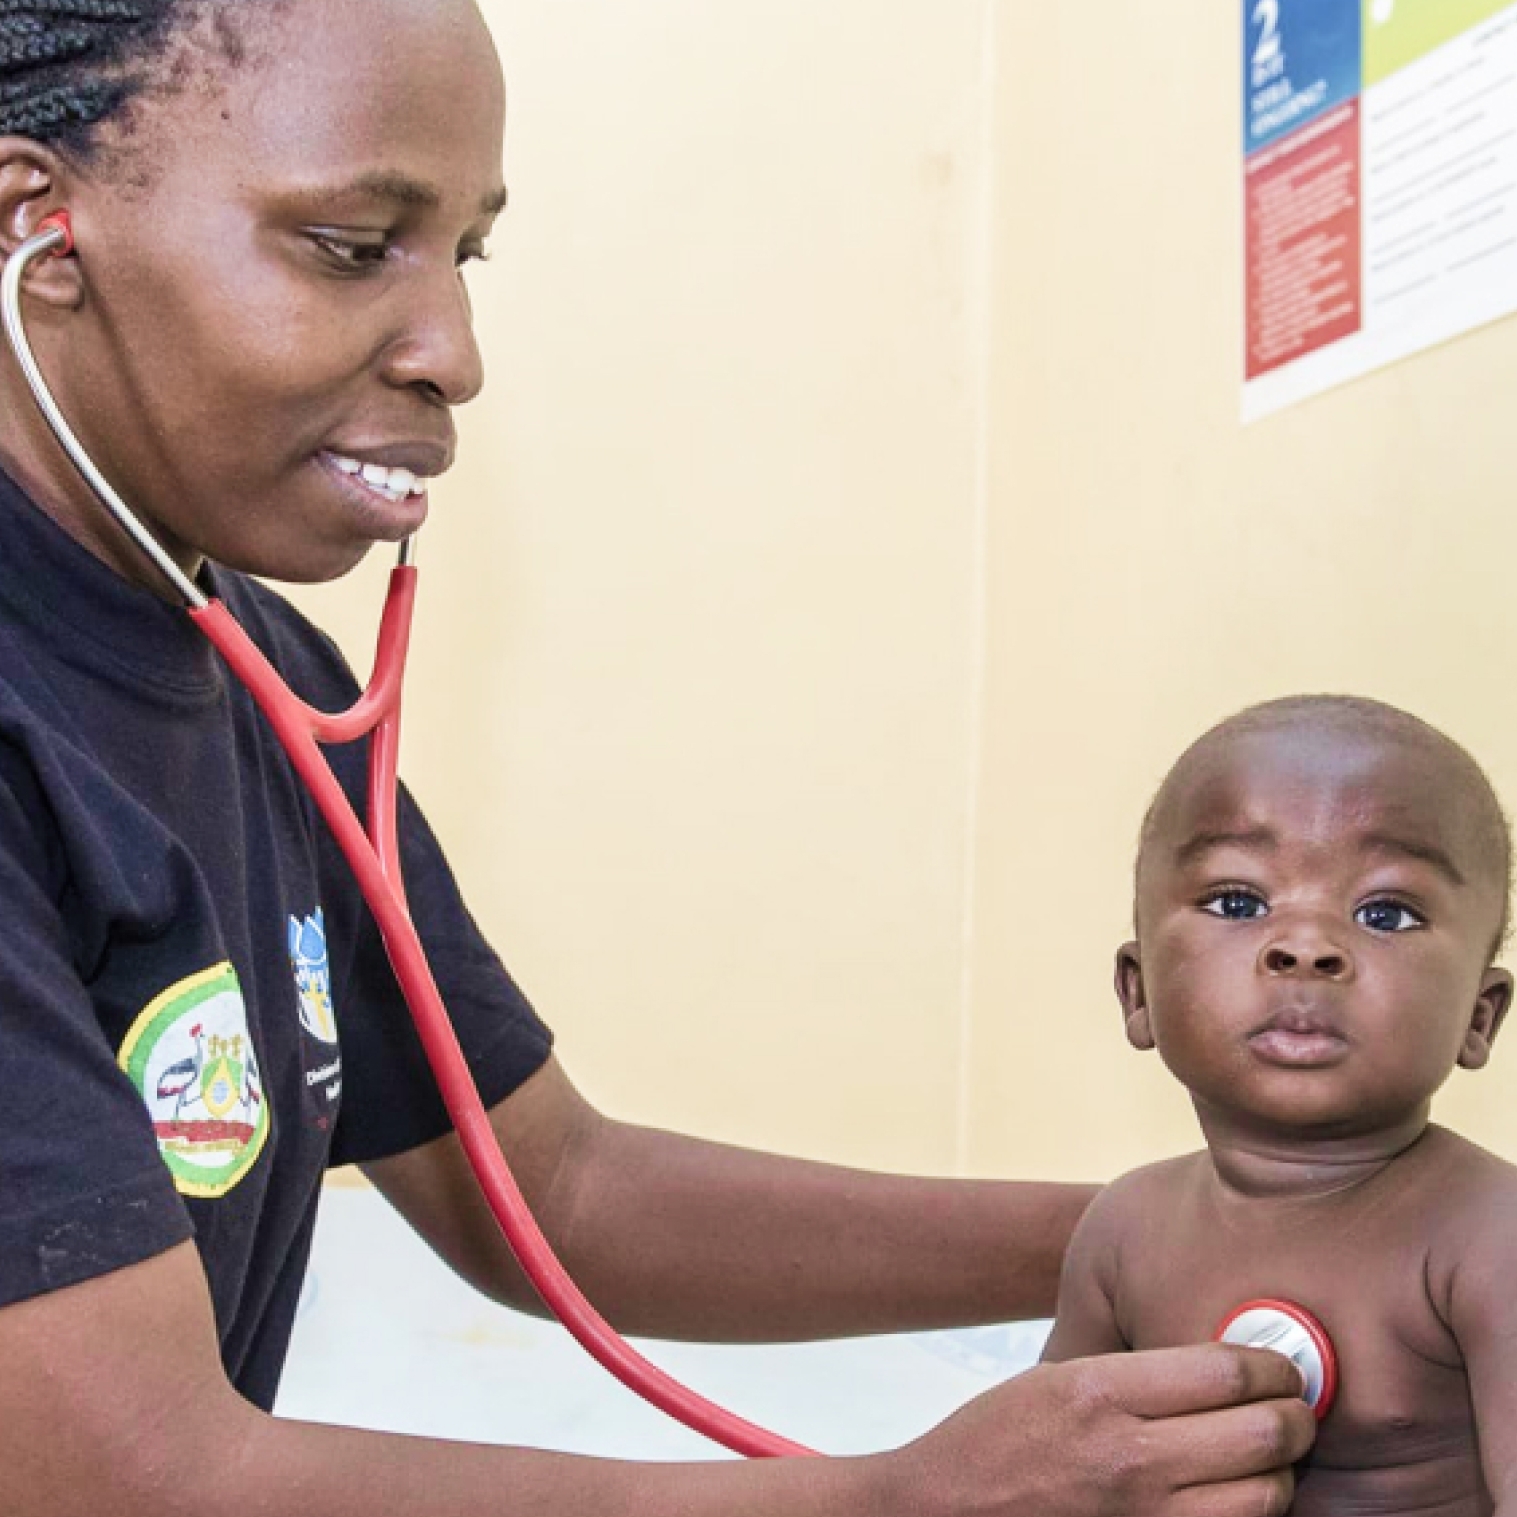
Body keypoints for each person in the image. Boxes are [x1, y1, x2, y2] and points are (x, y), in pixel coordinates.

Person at [0, 2, 1316, 1512]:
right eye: (356, 244)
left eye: (466, 254)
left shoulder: (259, 669)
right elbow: (128, 1469)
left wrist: (1167, 1226)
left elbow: (552, 1193)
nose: (456, 352)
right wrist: (891, 1499)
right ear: (43, 228)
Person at [1043, 695, 1517, 1515]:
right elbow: (1037, 1473)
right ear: (1138, 992)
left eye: (1384, 911)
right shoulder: (1123, 1230)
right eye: (1237, 901)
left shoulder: (1487, 1236)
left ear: (1478, 1016)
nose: (1305, 944)